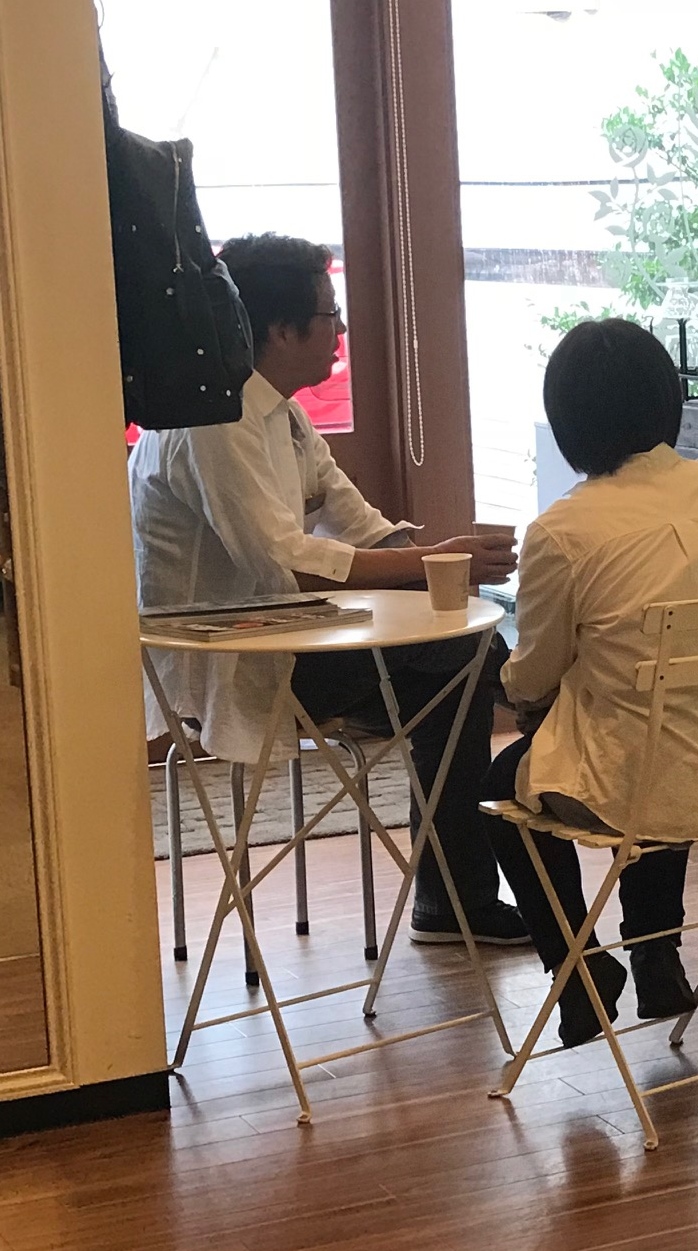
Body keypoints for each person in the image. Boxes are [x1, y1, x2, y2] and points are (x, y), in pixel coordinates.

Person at [130, 232, 528, 945]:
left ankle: (457, 888)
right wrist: (436, 562)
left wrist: (449, 559)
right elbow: (289, 566)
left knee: (466, 659)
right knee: (467, 664)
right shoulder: (215, 420)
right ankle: (467, 876)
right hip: (226, 658)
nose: (341, 331)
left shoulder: (279, 411)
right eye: (329, 315)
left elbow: (363, 528)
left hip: (286, 635)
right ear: (281, 330)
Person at [484, 318, 698, 1046]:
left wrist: (514, 684)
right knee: (664, 722)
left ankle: (581, 969)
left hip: (652, 778)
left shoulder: (563, 531)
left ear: (570, 423)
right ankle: (657, 957)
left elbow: (534, 674)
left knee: (507, 784)